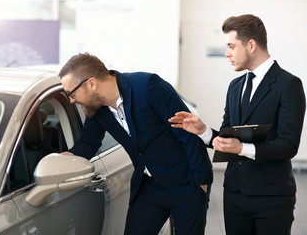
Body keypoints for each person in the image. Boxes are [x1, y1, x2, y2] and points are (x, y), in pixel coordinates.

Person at [169, 14, 306, 235]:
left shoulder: (288, 85)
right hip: (234, 195)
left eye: (231, 46)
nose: (227, 53)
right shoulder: (235, 87)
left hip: (271, 198)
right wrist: (203, 131)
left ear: (251, 45)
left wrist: (242, 148)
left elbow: (289, 144)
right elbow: (228, 138)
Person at [58, 52, 213, 235]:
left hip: (186, 184)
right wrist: (59, 161)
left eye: (72, 93)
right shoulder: (96, 110)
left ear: (92, 84)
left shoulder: (148, 86)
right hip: (148, 188)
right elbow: (86, 144)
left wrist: (201, 183)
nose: (71, 100)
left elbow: (188, 133)